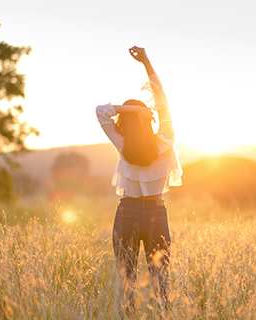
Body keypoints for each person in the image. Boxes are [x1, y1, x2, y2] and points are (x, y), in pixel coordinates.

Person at [96, 46, 182, 316]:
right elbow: (162, 100)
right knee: (161, 284)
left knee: (127, 283)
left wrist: (132, 112)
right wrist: (146, 61)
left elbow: (101, 111)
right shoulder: (165, 139)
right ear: (147, 119)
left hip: (128, 213)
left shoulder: (122, 143)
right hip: (156, 213)